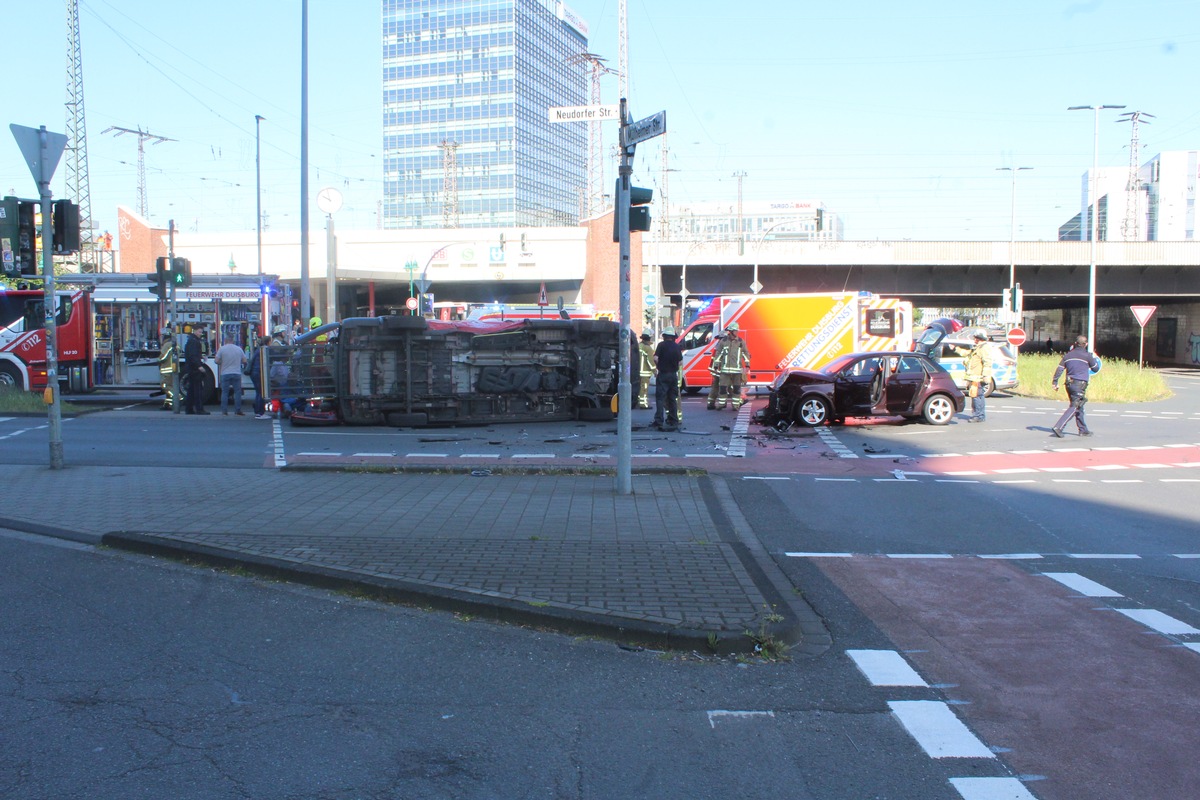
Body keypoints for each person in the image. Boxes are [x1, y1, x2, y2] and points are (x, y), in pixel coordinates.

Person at [1050, 335, 1100, 438]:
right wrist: (1094, 358)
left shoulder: (1068, 355)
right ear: (1085, 344)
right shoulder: (1087, 356)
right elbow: (1096, 368)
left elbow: (1059, 369)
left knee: (1079, 406)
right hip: (1079, 384)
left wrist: (1055, 382)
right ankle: (1059, 427)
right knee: (1075, 405)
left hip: (1068, 384)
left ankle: (1083, 430)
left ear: (1075, 344)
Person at [954, 329, 993, 423]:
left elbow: (987, 362)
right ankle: (979, 415)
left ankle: (978, 416)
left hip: (978, 378)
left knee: (977, 397)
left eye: (975, 338)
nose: (974, 340)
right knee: (976, 396)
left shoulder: (984, 348)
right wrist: (956, 349)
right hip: (974, 377)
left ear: (979, 338)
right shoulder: (978, 347)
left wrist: (986, 376)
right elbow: (967, 353)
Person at [710, 322, 751, 410]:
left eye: (736, 330)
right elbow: (718, 354)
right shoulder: (723, 341)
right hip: (725, 370)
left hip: (736, 370)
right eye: (735, 330)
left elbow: (746, 354)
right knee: (723, 388)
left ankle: (735, 406)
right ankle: (722, 404)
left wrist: (747, 365)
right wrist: (716, 365)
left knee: (736, 389)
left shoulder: (740, 342)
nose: (737, 332)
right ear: (731, 331)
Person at [652, 328, 682, 430]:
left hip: (663, 374)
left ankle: (659, 421)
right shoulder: (677, 346)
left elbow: (655, 358)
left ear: (664, 336)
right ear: (673, 337)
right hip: (673, 375)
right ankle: (673, 420)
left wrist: (658, 366)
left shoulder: (661, 345)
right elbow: (680, 362)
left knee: (660, 398)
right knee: (672, 398)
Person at [214, 337, 248, 416]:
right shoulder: (239, 349)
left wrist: (222, 362)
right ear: (233, 341)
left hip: (225, 373)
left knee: (225, 392)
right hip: (236, 373)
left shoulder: (222, 349)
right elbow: (244, 361)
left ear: (225, 341)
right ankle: (238, 410)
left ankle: (224, 411)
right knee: (237, 392)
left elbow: (216, 361)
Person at [183, 326, 209, 415]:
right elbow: (193, 355)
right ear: (194, 331)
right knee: (197, 390)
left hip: (191, 368)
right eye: (199, 332)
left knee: (191, 390)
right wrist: (199, 366)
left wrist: (201, 357)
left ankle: (189, 409)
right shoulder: (194, 342)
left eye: (201, 332)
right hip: (194, 369)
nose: (200, 334)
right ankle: (199, 409)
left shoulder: (191, 340)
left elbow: (191, 354)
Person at [247, 334, 272, 419]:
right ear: (268, 342)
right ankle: (259, 412)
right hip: (259, 373)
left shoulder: (259, 349)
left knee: (259, 392)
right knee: (261, 392)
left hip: (255, 372)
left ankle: (258, 411)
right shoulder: (265, 349)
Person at [637, 329, 656, 409]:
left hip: (637, 371)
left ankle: (639, 401)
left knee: (639, 387)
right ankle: (643, 404)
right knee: (644, 388)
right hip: (645, 372)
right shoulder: (648, 348)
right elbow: (650, 361)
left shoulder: (639, 345)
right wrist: (655, 371)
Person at [156, 327, 175, 410]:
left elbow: (163, 357)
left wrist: (158, 359)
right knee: (170, 386)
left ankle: (178, 397)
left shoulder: (167, 345)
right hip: (172, 369)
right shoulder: (174, 344)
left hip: (167, 369)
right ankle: (168, 404)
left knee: (165, 386)